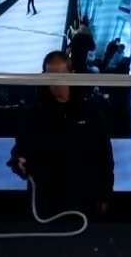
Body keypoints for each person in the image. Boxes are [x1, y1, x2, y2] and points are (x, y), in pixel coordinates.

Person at [8, 51, 114, 220]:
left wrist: (105, 193)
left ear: (72, 75)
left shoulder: (90, 108)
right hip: (47, 198)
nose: (56, 84)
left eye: (61, 77)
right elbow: (21, 146)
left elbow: (104, 153)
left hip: (84, 196)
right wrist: (18, 160)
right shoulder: (34, 111)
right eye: (51, 77)